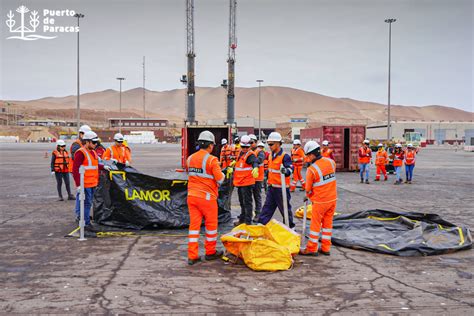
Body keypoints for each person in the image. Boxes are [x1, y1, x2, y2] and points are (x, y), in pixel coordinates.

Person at [186, 131, 225, 265]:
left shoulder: (190, 158)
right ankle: (210, 252)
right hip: (207, 198)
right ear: (210, 145)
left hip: (191, 196)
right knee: (211, 226)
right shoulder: (212, 160)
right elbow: (220, 179)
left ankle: (192, 256)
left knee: (194, 226)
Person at [300, 141, 337, 256]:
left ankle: (312, 248)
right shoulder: (331, 162)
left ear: (311, 155)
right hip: (332, 199)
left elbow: (308, 189)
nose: (307, 158)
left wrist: (307, 196)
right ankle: (326, 248)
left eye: (307, 156)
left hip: (320, 201)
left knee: (315, 225)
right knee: (327, 224)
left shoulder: (312, 169)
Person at [258, 132, 295, 228]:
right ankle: (261, 225)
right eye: (268, 144)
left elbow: (291, 169)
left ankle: (290, 227)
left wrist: (286, 171)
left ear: (278, 143)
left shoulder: (284, 156)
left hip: (281, 189)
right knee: (267, 208)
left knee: (285, 209)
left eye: (271, 144)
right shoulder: (270, 155)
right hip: (272, 188)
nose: (269, 146)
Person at [72, 131, 105, 231]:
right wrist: (78, 185)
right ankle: (85, 224)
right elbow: (75, 169)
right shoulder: (81, 153)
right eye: (94, 142)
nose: (96, 144)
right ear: (87, 142)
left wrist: (103, 167)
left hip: (92, 183)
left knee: (88, 204)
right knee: (86, 204)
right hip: (85, 184)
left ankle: (86, 222)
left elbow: (94, 165)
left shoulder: (93, 152)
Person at [231, 135, 259, 226]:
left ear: (249, 146)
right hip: (240, 183)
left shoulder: (250, 155)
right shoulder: (241, 153)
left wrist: (255, 168)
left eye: (246, 147)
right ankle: (242, 220)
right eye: (243, 147)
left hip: (247, 183)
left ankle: (248, 222)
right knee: (242, 203)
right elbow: (241, 164)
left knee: (247, 203)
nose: (245, 149)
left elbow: (255, 162)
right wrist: (235, 163)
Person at [249, 134, 265, 222]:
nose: (250, 144)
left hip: (258, 178)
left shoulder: (260, 151)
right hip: (249, 179)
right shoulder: (249, 151)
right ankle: (250, 214)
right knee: (249, 198)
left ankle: (258, 214)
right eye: (249, 142)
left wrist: (253, 162)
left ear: (255, 142)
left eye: (252, 142)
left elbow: (260, 160)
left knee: (257, 196)